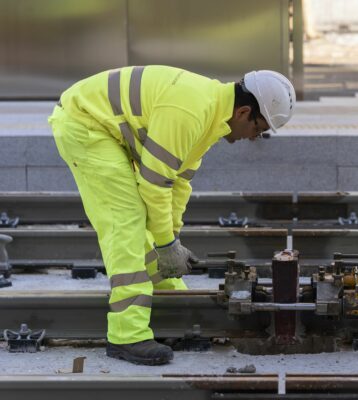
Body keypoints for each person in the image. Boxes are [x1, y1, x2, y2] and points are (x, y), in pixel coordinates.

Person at [48, 66, 296, 365]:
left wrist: (172, 241)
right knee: (125, 221)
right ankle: (127, 335)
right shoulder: (192, 111)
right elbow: (154, 184)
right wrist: (166, 245)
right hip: (86, 124)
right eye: (259, 129)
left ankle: (171, 306)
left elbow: (178, 183)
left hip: (103, 126)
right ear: (244, 112)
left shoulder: (211, 116)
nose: (253, 137)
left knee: (145, 221)